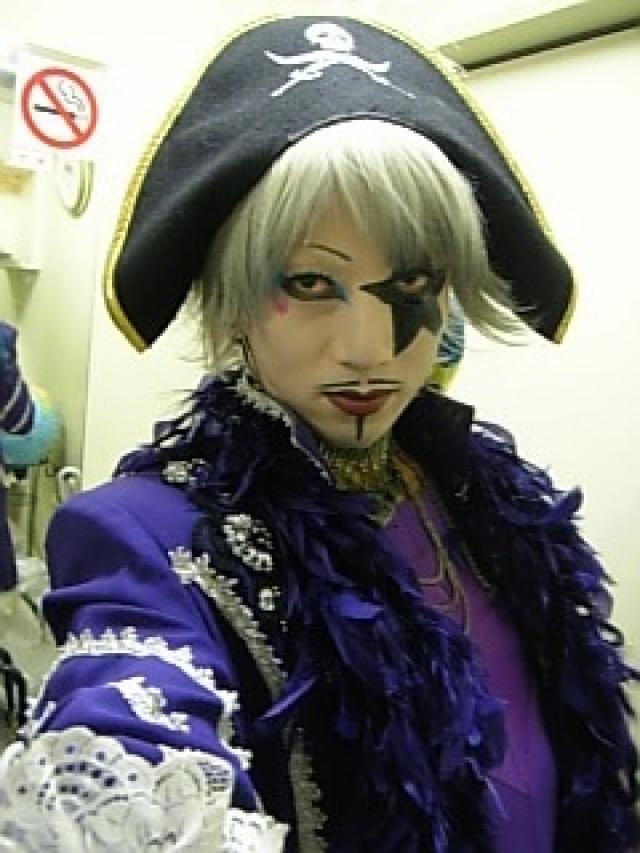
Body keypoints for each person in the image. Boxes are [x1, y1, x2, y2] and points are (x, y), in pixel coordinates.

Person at [0, 14, 637, 852]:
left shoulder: (496, 500)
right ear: (233, 302)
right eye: (308, 283)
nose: (367, 349)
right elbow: (128, 720)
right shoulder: (145, 534)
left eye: (412, 282)